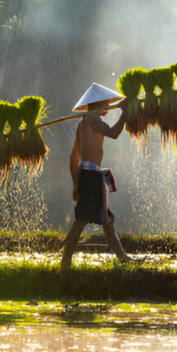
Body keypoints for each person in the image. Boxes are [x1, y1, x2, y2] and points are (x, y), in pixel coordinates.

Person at [61, 83, 132, 268]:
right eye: (107, 102)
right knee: (81, 221)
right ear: (98, 102)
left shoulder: (82, 123)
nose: (109, 105)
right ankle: (64, 264)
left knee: (107, 220)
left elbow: (73, 158)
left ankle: (124, 259)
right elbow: (115, 133)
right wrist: (125, 112)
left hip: (88, 175)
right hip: (91, 176)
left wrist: (76, 184)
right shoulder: (93, 119)